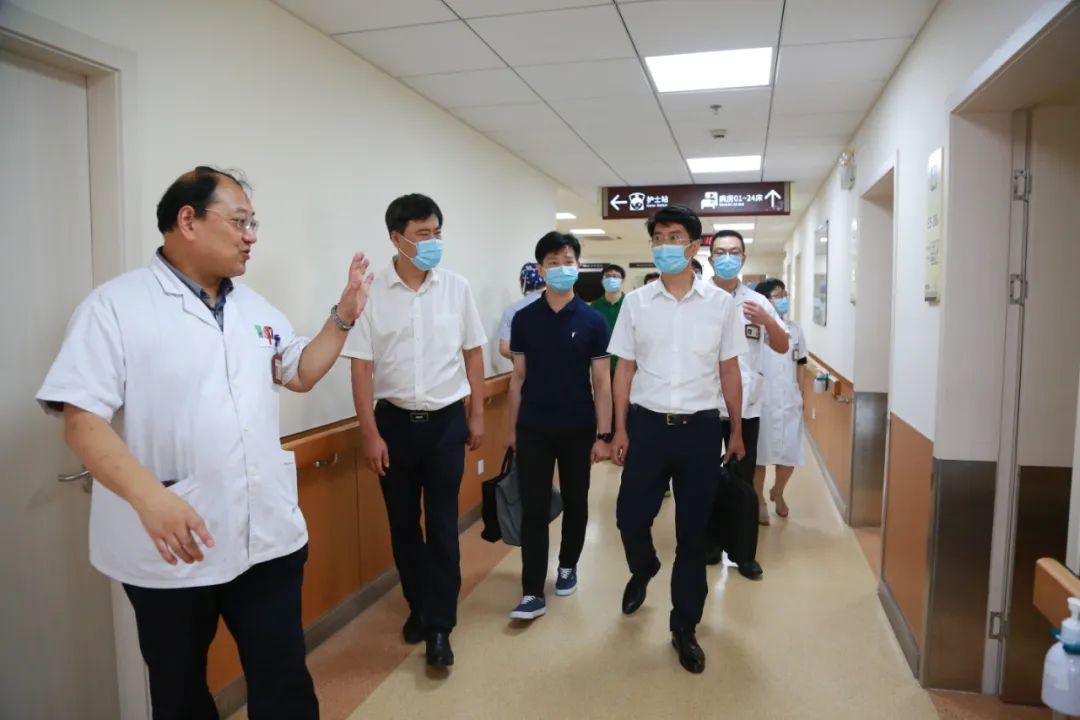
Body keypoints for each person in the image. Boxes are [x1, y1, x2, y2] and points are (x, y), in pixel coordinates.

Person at [35, 166, 373, 720]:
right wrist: (150, 498)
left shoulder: (255, 309)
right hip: (172, 547)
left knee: (285, 682)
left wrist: (342, 318)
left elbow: (301, 372)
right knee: (180, 692)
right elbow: (82, 421)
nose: (251, 236)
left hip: (266, 539)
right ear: (188, 220)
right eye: (240, 222)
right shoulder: (114, 307)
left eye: (253, 223)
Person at [344, 193, 487, 669]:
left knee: (443, 526)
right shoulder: (372, 294)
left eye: (437, 233)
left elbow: (473, 353)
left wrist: (477, 414)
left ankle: (440, 625)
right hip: (394, 424)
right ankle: (418, 606)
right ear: (396, 239)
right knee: (403, 525)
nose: (432, 242)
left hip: (446, 421)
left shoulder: (456, 288)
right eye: (423, 234)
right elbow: (360, 368)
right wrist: (369, 433)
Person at [609, 204, 747, 674]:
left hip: (700, 430)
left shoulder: (720, 305)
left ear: (693, 245)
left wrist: (736, 429)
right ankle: (644, 566)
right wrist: (619, 428)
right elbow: (623, 369)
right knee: (629, 517)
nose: (665, 245)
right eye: (658, 238)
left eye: (674, 237)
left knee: (693, 534)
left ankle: (684, 626)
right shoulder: (636, 303)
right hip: (647, 427)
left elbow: (729, 370)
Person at [506, 232, 612, 621]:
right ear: (540, 269)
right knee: (533, 507)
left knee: (575, 500)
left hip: (577, 426)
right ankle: (532, 590)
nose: (561, 268)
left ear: (578, 266)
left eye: (568, 261)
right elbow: (517, 377)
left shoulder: (593, 320)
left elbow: (602, 382)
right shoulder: (524, 319)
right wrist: (511, 430)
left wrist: (604, 435)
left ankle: (568, 565)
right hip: (533, 426)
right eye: (553, 262)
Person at [706, 230, 789, 578]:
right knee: (704, 479)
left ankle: (743, 554)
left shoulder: (757, 302)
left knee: (743, 483)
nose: (727, 257)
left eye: (734, 251)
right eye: (720, 251)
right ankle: (710, 545)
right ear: (710, 257)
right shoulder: (698, 297)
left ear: (743, 257)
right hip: (704, 406)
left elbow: (782, 346)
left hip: (746, 409)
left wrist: (768, 321)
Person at [753, 279, 808, 519]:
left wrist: (801, 395)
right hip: (760, 401)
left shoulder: (795, 330)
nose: (784, 299)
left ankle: (778, 491)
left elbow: (801, 363)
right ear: (764, 300)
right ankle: (759, 501)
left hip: (789, 400)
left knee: (790, 453)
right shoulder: (754, 328)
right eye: (778, 295)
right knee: (759, 456)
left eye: (785, 294)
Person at [498, 262, 546, 360]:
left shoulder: (511, 310)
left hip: (521, 368)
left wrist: (523, 359)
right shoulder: (555, 304)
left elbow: (504, 349)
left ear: (522, 282)